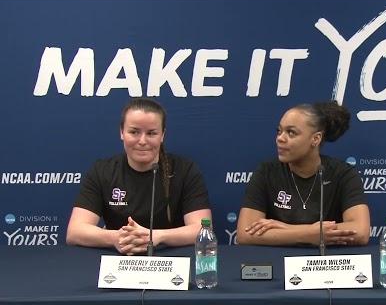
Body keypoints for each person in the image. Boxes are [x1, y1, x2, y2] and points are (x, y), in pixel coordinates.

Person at [66, 98, 212, 255]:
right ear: (122, 132)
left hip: (171, 259)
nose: (142, 141)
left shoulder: (185, 170)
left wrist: (156, 236)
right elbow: (75, 231)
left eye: (151, 133)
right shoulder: (102, 170)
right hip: (118, 258)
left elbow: (203, 229)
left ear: (162, 135)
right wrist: (115, 237)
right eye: (134, 132)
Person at [237, 101, 370, 246]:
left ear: (315, 139)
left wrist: (288, 229)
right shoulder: (266, 171)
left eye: (291, 132)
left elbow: (361, 231)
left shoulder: (343, 174)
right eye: (279, 131)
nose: (280, 138)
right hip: (277, 262)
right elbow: (245, 234)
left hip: (324, 264)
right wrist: (309, 234)